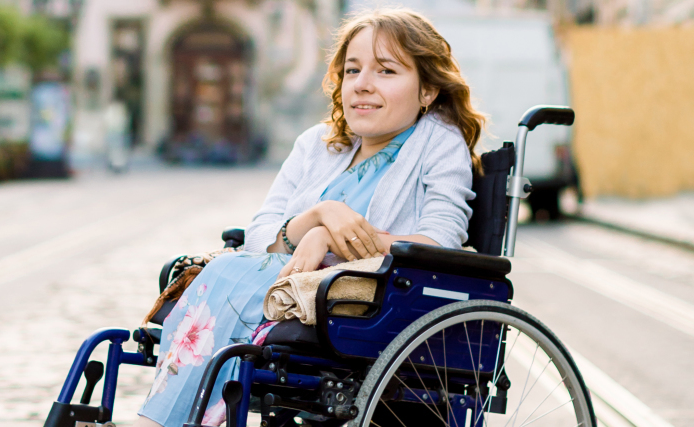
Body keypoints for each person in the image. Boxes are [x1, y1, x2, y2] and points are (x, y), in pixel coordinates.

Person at [136, 7, 486, 426]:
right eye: (352, 70)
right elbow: (259, 234)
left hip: (370, 300)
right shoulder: (316, 145)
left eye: (386, 71)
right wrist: (318, 219)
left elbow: (440, 244)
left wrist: (332, 240)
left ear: (427, 90)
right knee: (226, 268)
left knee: (225, 272)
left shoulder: (438, 144)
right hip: (290, 286)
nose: (362, 85)